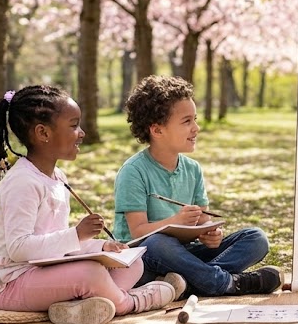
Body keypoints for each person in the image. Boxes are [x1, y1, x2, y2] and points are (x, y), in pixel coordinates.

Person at [0, 85, 184, 324]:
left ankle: (78, 308)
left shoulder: (57, 177)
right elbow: (19, 249)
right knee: (91, 273)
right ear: (43, 133)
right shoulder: (23, 183)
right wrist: (76, 234)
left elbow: (56, 244)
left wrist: (101, 246)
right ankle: (130, 303)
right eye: (73, 125)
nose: (82, 132)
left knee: (131, 261)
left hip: (46, 271)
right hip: (11, 283)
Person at [112, 75, 282, 296]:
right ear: (157, 130)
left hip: (186, 256)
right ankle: (225, 283)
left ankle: (188, 284)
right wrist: (175, 221)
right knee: (158, 243)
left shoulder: (192, 169)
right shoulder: (133, 171)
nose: (196, 128)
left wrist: (210, 233)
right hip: (144, 258)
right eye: (187, 121)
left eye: (195, 119)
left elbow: (203, 219)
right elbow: (138, 233)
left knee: (256, 238)